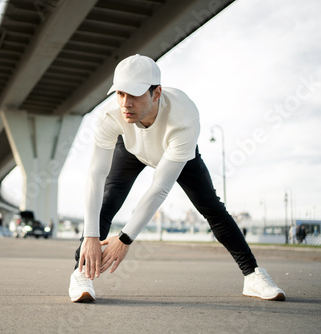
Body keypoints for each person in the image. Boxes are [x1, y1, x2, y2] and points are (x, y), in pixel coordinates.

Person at [68, 54, 285, 303]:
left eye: (135, 94)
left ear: (156, 93)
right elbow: (96, 175)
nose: (125, 104)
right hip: (131, 149)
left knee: (212, 207)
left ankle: (253, 276)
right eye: (120, 93)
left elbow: (160, 187)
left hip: (174, 150)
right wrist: (91, 237)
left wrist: (125, 238)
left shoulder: (184, 117)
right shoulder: (109, 116)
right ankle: (80, 274)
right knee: (107, 203)